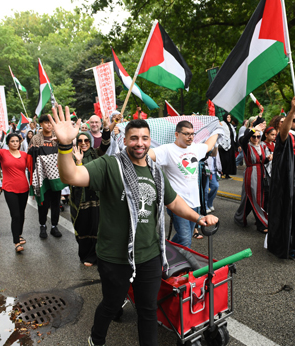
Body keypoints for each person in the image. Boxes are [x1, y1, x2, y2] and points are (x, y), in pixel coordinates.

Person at [49, 105, 219, 346]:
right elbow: (71, 177)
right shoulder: (109, 166)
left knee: (148, 309)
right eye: (134, 138)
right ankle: (96, 339)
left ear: (150, 141)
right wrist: (65, 145)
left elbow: (173, 201)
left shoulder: (156, 171)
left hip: (149, 253)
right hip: (115, 257)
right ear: (125, 140)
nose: (140, 143)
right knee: (111, 304)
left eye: (144, 138)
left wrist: (198, 218)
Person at [148, 120, 219, 248]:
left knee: (184, 237)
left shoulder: (195, 148)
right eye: (186, 134)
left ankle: (165, 252)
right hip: (177, 203)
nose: (190, 137)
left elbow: (209, 145)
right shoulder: (167, 149)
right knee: (186, 240)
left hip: (195, 202)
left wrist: (217, 128)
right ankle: (177, 265)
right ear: (177, 134)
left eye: (192, 134)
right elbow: (146, 155)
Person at [267, 97, 295, 262]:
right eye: (294, 120)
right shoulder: (284, 137)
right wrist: (291, 111)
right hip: (293, 186)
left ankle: (287, 236)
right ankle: (292, 245)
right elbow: (284, 133)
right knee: (293, 216)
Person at [0, 131, 29, 253]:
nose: (15, 143)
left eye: (17, 141)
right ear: (8, 143)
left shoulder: (24, 155)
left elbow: (33, 167)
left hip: (24, 188)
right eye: (12, 141)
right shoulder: (3, 153)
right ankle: (16, 242)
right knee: (15, 215)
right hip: (9, 189)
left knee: (22, 214)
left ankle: (19, 234)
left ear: (20, 142)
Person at [70, 130, 110, 266]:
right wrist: (78, 161)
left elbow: (105, 143)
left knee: (98, 227)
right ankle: (87, 255)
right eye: (80, 141)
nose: (83, 143)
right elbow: (73, 176)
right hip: (82, 197)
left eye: (86, 140)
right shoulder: (72, 157)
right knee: (84, 227)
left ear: (90, 141)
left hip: (98, 197)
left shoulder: (96, 153)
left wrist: (106, 127)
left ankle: (99, 255)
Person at [28, 114, 70, 239]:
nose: (49, 125)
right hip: (42, 177)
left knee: (56, 202)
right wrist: (33, 150)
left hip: (56, 176)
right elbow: (30, 157)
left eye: (50, 122)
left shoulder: (58, 137)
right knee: (43, 203)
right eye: (46, 122)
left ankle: (54, 226)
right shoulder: (35, 139)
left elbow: (65, 153)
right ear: (41, 124)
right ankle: (42, 225)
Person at [234, 121, 270, 233]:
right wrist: (254, 129)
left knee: (252, 197)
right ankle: (262, 224)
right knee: (256, 197)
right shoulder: (246, 146)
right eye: (254, 136)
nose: (256, 138)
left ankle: (239, 217)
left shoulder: (262, 146)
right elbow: (244, 139)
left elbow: (263, 161)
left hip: (262, 173)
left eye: (258, 136)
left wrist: (269, 158)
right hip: (252, 173)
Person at [260, 126, 277, 212]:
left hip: (274, 172)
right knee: (266, 194)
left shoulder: (275, 144)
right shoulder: (262, 144)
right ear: (266, 135)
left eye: (275, 135)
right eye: (272, 134)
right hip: (265, 173)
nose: (274, 136)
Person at [218, 114, 237, 179]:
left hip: (231, 144)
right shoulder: (222, 124)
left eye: (230, 117)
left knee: (230, 160)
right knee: (224, 160)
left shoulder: (230, 125)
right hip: (223, 145)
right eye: (227, 117)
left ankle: (227, 173)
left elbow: (233, 134)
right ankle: (221, 172)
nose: (229, 118)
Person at [205, 145, 221, 214]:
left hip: (214, 171)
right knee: (205, 190)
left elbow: (217, 158)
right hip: (205, 171)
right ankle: (205, 205)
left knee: (215, 186)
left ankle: (209, 202)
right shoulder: (205, 144)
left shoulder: (215, 144)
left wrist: (220, 169)